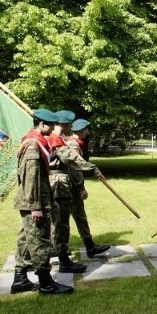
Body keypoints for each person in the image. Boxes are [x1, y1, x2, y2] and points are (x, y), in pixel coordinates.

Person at [12, 108, 73, 295]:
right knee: (40, 241)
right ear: (42, 124)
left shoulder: (36, 142)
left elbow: (42, 177)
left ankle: (20, 279)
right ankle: (46, 283)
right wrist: (36, 207)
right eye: (51, 125)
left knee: (25, 239)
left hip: (34, 200)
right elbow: (31, 178)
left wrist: (52, 199)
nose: (54, 128)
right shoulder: (33, 145)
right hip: (33, 202)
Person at [47, 110, 104, 273]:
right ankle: (63, 260)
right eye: (69, 124)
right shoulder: (57, 140)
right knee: (61, 224)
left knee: (61, 223)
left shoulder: (59, 139)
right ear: (63, 124)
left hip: (59, 183)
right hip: (60, 184)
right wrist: (92, 170)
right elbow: (72, 161)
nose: (71, 127)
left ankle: (62, 254)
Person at [66, 118, 111, 258]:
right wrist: (81, 188)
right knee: (76, 217)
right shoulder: (73, 145)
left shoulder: (70, 142)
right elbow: (75, 168)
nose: (86, 132)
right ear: (79, 131)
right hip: (70, 187)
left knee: (69, 218)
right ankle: (86, 247)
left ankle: (86, 246)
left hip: (65, 186)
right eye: (84, 129)